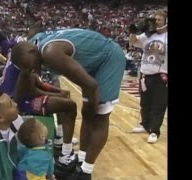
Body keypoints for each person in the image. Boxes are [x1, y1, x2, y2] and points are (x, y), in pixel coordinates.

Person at [11, 27, 126, 179]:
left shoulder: (50, 53)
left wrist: (91, 110)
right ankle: (80, 159)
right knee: (87, 113)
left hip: (109, 58)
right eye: (27, 68)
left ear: (33, 52)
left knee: (99, 117)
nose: (32, 70)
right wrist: (15, 106)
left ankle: (86, 171)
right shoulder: (32, 47)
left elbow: (91, 85)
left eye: (30, 66)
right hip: (93, 62)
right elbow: (24, 76)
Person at [0, 57, 78, 175]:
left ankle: (60, 138)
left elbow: (40, 84)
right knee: (70, 105)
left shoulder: (26, 63)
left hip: (26, 98)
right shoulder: (26, 66)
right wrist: (57, 94)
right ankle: (65, 154)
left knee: (65, 99)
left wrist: (59, 92)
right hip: (24, 103)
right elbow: (33, 91)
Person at [129, 10, 168, 143]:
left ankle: (154, 131)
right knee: (145, 102)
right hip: (145, 74)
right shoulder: (148, 35)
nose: (155, 22)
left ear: (166, 21)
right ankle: (145, 125)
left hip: (161, 75)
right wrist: (134, 30)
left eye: (159, 20)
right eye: (154, 19)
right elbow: (133, 42)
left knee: (158, 104)